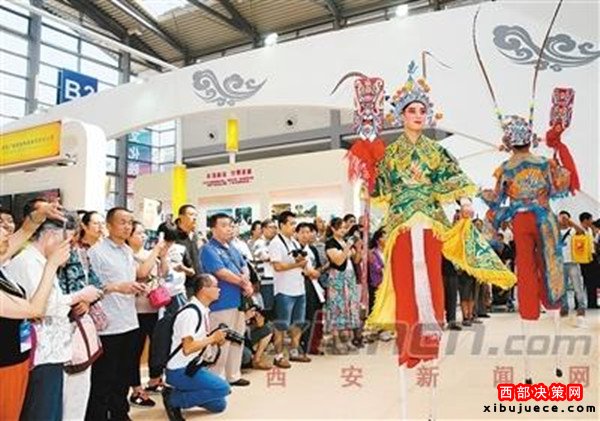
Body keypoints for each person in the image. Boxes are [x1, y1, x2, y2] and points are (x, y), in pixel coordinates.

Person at [5, 215, 102, 421]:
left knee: (52, 409)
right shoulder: (28, 262)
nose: (70, 249)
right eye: (67, 242)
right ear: (50, 236)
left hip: (52, 350)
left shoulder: (42, 261)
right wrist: (78, 296)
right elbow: (39, 307)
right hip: (40, 353)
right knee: (42, 410)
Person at [0, 220, 70, 421]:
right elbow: (35, 309)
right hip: (5, 363)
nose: (7, 231)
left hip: (17, 357)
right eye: (0, 227)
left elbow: (23, 232)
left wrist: (37, 217)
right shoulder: (26, 261)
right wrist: (51, 265)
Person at [86, 207, 149, 421]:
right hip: (108, 326)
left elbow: (131, 279)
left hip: (129, 321)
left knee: (123, 376)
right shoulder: (96, 252)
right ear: (109, 225)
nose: (127, 227)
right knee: (104, 378)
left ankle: (120, 414)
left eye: (130, 222)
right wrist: (116, 287)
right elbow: (90, 287)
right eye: (122, 222)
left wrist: (137, 287)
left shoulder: (127, 251)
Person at [56, 212, 106, 420]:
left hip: (77, 328)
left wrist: (86, 300)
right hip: (54, 330)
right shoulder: (40, 260)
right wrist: (76, 299)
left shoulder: (81, 255)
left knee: (78, 390)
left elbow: (98, 285)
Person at [162, 274, 231, 421]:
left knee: (219, 405)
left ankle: (181, 391)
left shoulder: (202, 310)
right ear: (204, 289)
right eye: (216, 286)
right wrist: (212, 338)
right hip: (179, 370)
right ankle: (174, 400)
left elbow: (198, 342)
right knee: (223, 388)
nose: (219, 289)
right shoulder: (190, 313)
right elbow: (187, 348)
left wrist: (214, 340)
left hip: (192, 367)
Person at [200, 213, 252, 386]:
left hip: (238, 301)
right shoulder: (208, 249)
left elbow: (244, 266)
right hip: (221, 301)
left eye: (230, 225)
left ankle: (233, 375)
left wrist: (246, 280)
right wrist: (243, 283)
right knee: (221, 340)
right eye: (223, 225)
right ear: (213, 229)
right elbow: (220, 272)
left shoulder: (232, 247)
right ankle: (217, 377)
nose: (229, 228)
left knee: (237, 337)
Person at [127, 221, 171, 407]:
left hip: (154, 307)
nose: (143, 236)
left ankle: (154, 380)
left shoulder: (148, 253)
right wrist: (155, 252)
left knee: (157, 346)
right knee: (134, 351)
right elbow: (142, 273)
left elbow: (164, 273)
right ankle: (136, 388)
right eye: (139, 233)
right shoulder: (128, 255)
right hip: (135, 310)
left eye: (144, 233)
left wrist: (164, 256)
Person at [269, 211, 313, 366]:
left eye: (295, 223)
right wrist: (297, 264)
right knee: (281, 325)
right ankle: (278, 356)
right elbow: (277, 266)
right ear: (282, 225)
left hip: (299, 288)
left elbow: (299, 261)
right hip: (284, 290)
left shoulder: (293, 241)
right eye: (291, 223)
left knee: (298, 323)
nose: (294, 226)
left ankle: (294, 351)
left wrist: (301, 262)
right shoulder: (276, 243)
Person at [325, 218, 362, 354]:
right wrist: (348, 246)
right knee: (337, 308)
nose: (343, 230)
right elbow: (339, 261)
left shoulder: (345, 241)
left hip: (349, 277)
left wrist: (358, 248)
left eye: (344, 228)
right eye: (340, 228)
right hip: (337, 279)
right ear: (333, 229)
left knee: (349, 307)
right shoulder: (330, 243)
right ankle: (336, 340)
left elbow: (356, 260)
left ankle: (348, 339)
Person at [296, 223, 326, 355]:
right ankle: (302, 343)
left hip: (314, 284)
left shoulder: (312, 249)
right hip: (301, 283)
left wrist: (317, 272)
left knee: (315, 313)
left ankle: (313, 343)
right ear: (297, 234)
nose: (305, 235)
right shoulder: (294, 248)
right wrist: (309, 272)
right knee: (304, 315)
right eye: (302, 232)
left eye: (308, 232)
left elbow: (318, 265)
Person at [557, 211, 587, 326]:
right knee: (562, 288)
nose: (563, 220)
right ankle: (564, 308)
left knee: (578, 287)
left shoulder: (573, 231)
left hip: (573, 262)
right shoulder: (555, 231)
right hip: (560, 263)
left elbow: (582, 232)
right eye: (561, 218)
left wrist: (570, 222)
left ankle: (581, 308)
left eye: (565, 218)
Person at [251, 218, 278, 314]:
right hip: (265, 282)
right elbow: (265, 257)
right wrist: (277, 257)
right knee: (267, 310)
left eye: (275, 227)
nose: (274, 230)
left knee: (276, 310)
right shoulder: (259, 243)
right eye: (271, 227)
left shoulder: (276, 242)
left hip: (276, 280)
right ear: (263, 229)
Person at [175, 205, 200, 297]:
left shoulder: (194, 236)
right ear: (181, 217)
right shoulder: (174, 236)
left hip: (197, 282)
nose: (194, 218)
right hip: (181, 286)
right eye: (191, 214)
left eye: (196, 215)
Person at [578, 212, 599, 309]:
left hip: (591, 258)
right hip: (582, 259)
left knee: (592, 281)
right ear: (585, 220)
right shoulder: (577, 230)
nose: (592, 221)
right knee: (581, 282)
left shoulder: (590, 230)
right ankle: (579, 304)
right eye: (590, 219)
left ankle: (592, 303)